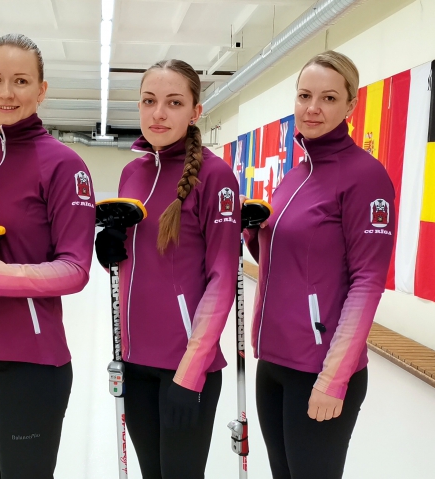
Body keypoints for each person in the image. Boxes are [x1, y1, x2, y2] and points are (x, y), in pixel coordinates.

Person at [0, 34, 95, 479]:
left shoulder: (64, 166)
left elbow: (74, 270)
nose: (6, 92)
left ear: (41, 90)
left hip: (33, 363)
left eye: (21, 81)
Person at [245, 51, 395, 479]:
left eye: (328, 98)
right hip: (273, 361)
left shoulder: (365, 177)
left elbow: (367, 283)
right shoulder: (295, 175)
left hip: (318, 366)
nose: (312, 108)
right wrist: (253, 233)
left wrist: (334, 378)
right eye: (304, 95)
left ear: (350, 105)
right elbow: (285, 263)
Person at [95, 59, 240, 479]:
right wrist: (111, 254)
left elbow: (221, 281)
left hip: (185, 366)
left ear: (195, 111)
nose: (158, 113)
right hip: (135, 363)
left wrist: (190, 374)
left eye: (173, 102)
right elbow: (142, 269)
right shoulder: (131, 173)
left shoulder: (216, 176)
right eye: (149, 101)